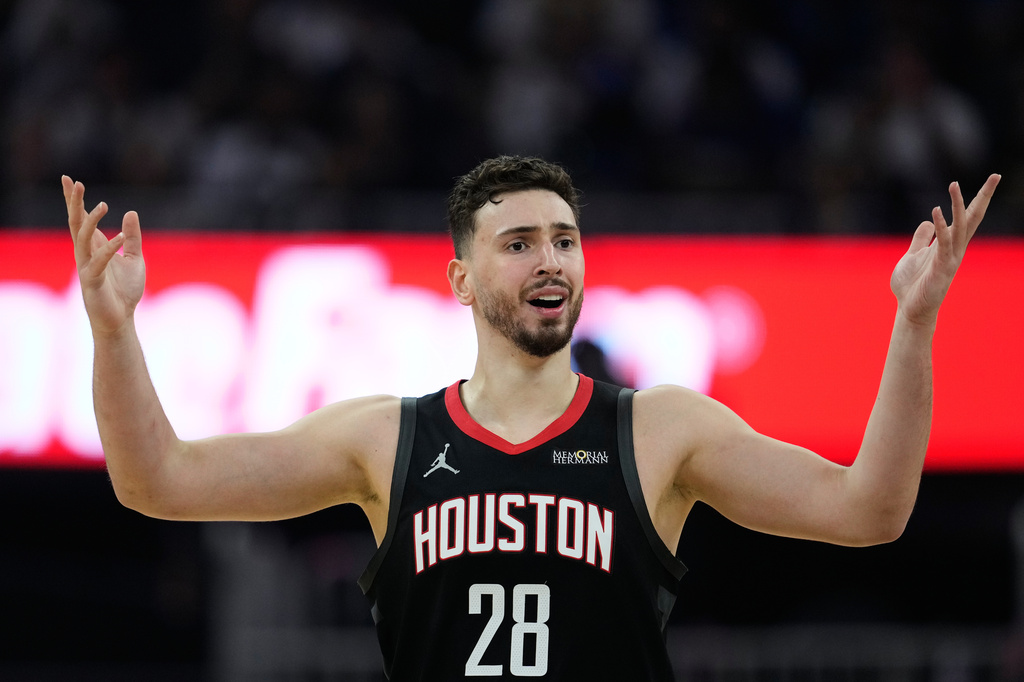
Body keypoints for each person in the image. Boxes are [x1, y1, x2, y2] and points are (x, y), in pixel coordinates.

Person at [62, 156, 1000, 681]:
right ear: (463, 280)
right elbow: (158, 484)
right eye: (519, 244)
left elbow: (868, 511)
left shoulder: (662, 428)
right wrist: (112, 329)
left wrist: (913, 326)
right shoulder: (383, 438)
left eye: (564, 239)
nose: (551, 260)